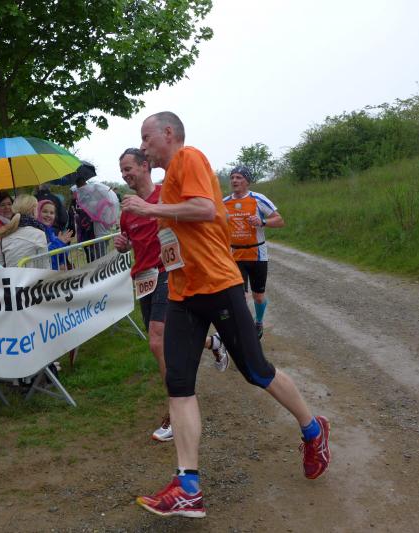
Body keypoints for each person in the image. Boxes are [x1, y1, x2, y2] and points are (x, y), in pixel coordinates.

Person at [124, 112, 330, 519]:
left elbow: (204, 208)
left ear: (169, 133)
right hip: (182, 293)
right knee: (178, 383)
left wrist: (150, 210)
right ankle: (188, 486)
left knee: (256, 371)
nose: (143, 146)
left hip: (218, 284)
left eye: (147, 137)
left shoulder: (189, 158)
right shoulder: (167, 185)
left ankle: (313, 428)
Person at [115, 148, 229, 444]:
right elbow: (132, 239)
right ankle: (212, 343)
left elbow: (190, 218)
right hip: (143, 277)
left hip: (168, 272)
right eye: (122, 170)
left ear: (145, 166)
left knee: (157, 339)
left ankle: (175, 412)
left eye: (129, 168)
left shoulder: (165, 195)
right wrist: (124, 244)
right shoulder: (128, 209)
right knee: (167, 340)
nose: (125, 175)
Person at [223, 165, 284, 339]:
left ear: (247, 181)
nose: (234, 180)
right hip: (235, 256)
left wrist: (262, 222)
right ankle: (245, 327)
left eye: (239, 177)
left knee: (258, 297)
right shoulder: (224, 203)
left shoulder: (258, 199)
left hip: (257, 255)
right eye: (232, 177)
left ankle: (259, 321)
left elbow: (280, 220)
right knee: (239, 296)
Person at [0, 195, 48, 268]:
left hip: (10, 275)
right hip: (32, 275)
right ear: (33, 210)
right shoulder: (39, 234)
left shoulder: (3, 235)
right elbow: (44, 266)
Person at [36, 199, 73, 270]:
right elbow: (45, 255)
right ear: (37, 212)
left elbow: (59, 254)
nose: (48, 215)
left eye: (52, 213)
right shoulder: (37, 232)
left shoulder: (51, 232)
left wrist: (62, 262)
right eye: (45, 211)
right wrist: (59, 242)